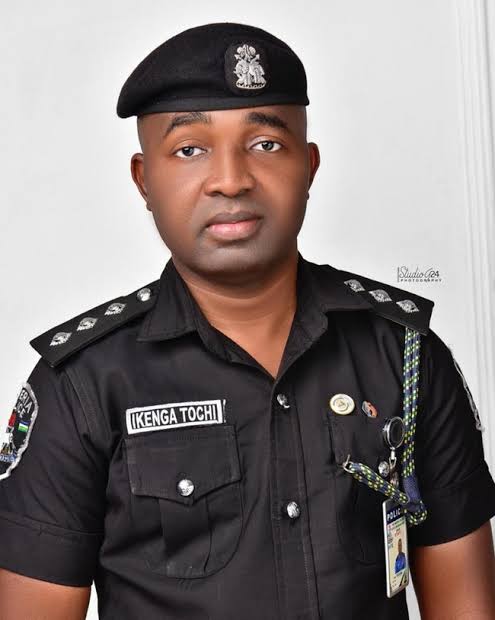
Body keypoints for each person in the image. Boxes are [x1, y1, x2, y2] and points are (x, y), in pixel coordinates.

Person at [1, 20, 495, 620]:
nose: (231, 180)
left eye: (265, 144)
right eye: (190, 149)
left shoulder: (404, 355)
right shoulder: (82, 383)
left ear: (309, 165)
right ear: (143, 179)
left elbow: (467, 605)